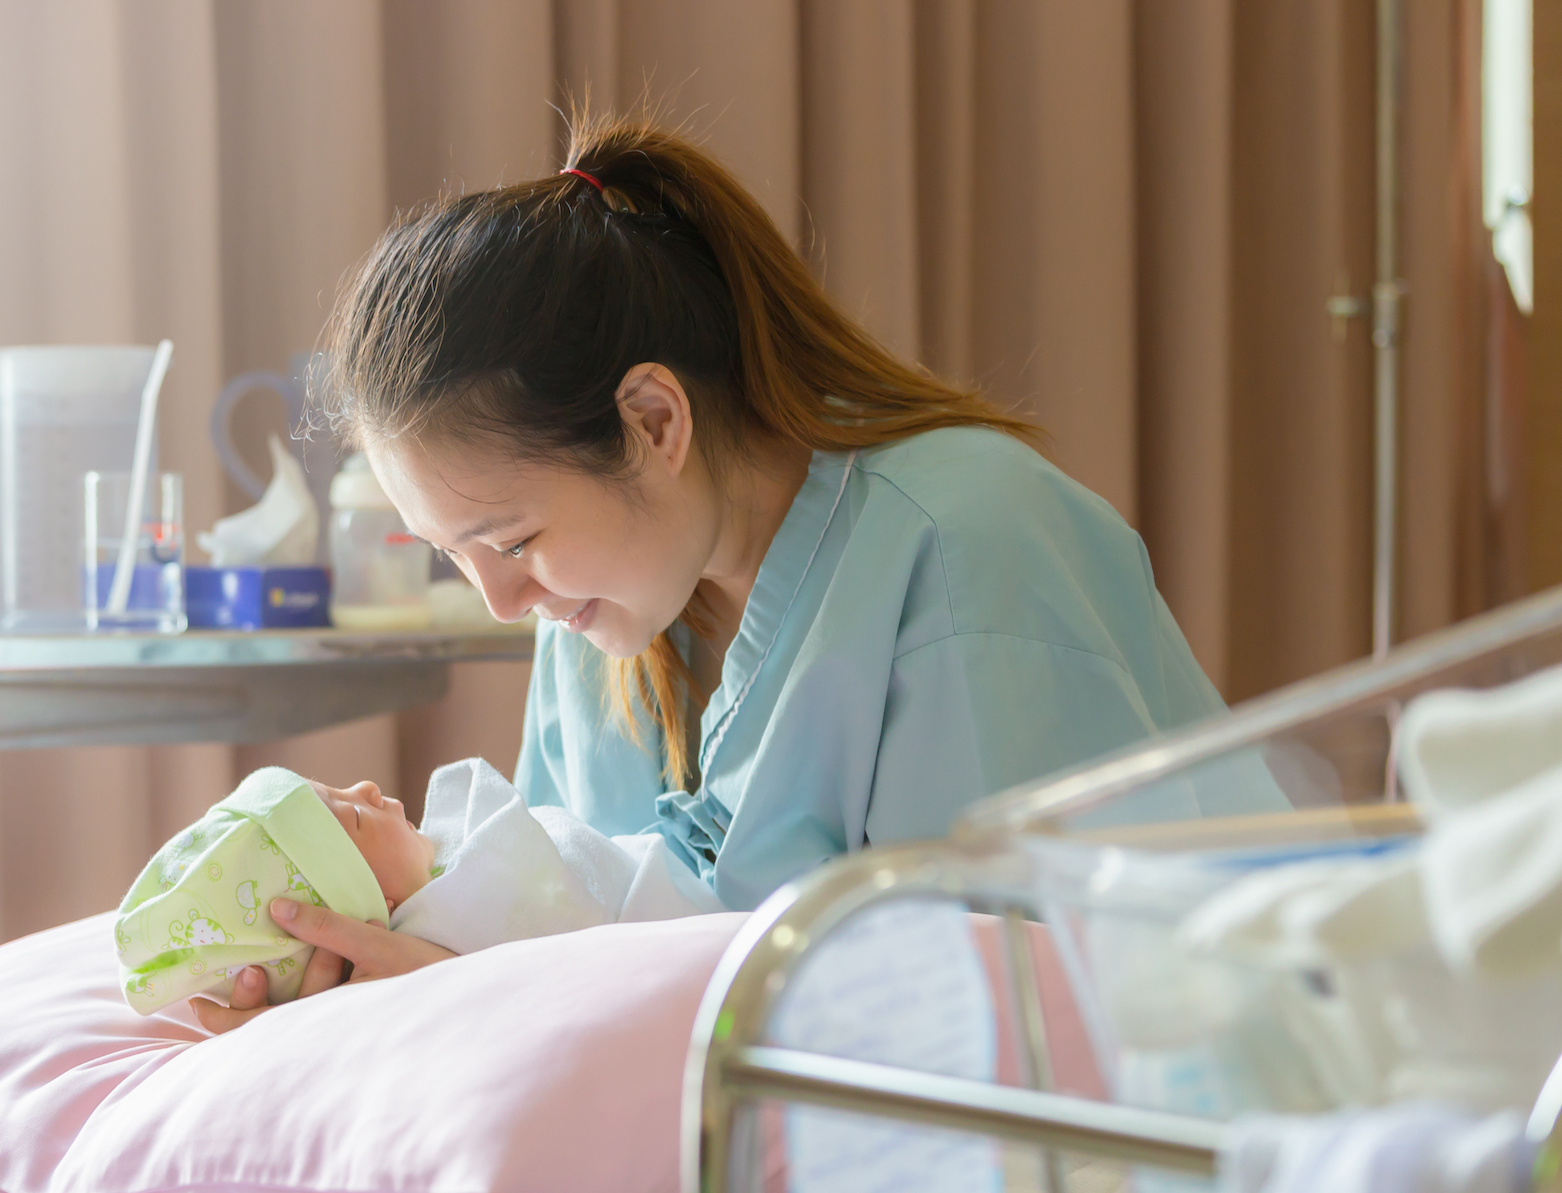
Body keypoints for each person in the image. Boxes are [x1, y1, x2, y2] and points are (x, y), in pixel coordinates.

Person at [198, 113, 1226, 1033]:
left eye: (508, 541)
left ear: (653, 421)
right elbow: (574, 927)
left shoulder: (966, 545)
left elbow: (1013, 1017)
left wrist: (474, 1005)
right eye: (451, 555)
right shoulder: (596, 621)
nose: (503, 603)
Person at [122, 762, 719, 1029]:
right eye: (352, 818)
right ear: (361, 905)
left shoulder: (462, 861)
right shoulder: (453, 919)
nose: (369, 787)